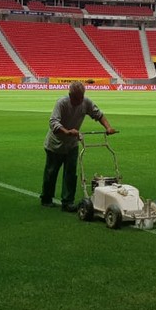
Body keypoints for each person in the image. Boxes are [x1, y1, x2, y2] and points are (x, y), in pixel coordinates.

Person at [41, 81, 116, 212]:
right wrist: (67, 132)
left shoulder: (85, 102)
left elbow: (99, 115)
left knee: (71, 173)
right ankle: (46, 198)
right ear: (70, 95)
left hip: (72, 144)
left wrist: (108, 127)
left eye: (81, 97)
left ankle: (68, 201)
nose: (80, 100)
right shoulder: (62, 103)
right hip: (55, 144)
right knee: (51, 172)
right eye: (77, 98)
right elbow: (53, 123)